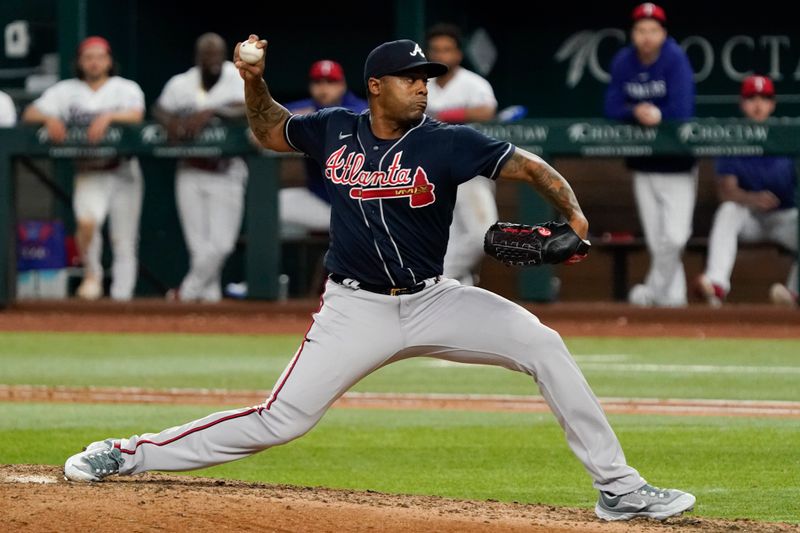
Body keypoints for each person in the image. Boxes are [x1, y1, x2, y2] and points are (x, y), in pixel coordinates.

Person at [63, 35, 696, 522]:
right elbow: (267, 129)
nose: (423, 87)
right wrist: (252, 79)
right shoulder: (333, 128)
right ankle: (128, 452)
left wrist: (576, 216)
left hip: (433, 298)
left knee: (543, 345)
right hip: (353, 309)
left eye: (428, 78)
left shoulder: (447, 142)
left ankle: (618, 490)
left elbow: (528, 166)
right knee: (281, 419)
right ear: (376, 85)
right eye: (412, 78)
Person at [22, 36, 145, 301]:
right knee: (87, 223)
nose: (94, 62)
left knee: (124, 239)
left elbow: (137, 115)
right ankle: (92, 278)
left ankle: (123, 297)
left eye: (99, 57)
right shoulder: (66, 91)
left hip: (123, 170)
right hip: (89, 170)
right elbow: (30, 113)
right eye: (88, 57)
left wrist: (110, 116)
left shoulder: (125, 88)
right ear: (79, 62)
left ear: (109, 61)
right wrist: (49, 117)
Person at [604, 3, 697, 307]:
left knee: (676, 238)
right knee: (659, 243)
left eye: (653, 30)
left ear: (663, 33)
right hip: (643, 164)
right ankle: (673, 302)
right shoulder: (623, 61)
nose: (646, 37)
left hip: (678, 164)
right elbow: (611, 106)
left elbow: (682, 110)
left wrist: (657, 113)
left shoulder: (675, 58)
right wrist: (635, 111)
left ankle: (649, 293)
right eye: (641, 30)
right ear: (633, 33)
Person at [153, 33, 248, 303]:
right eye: (206, 55)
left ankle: (185, 293)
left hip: (226, 170)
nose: (212, 60)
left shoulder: (236, 77)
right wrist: (169, 120)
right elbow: (159, 108)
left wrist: (211, 111)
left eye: (216, 54)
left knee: (221, 245)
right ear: (197, 58)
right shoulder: (182, 83)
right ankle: (209, 304)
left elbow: (252, 106)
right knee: (198, 247)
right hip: (190, 169)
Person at [695, 75, 798, 307]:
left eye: (764, 98)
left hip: (784, 216)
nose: (758, 104)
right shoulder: (734, 137)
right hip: (749, 217)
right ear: (743, 103)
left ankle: (793, 294)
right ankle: (716, 285)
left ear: (773, 104)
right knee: (728, 210)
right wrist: (752, 198)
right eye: (752, 98)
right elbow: (726, 190)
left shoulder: (788, 134)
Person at [425, 23, 498, 285]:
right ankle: (454, 283)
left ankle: (435, 279)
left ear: (458, 54)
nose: (442, 55)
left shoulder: (472, 83)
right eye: (436, 50)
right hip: (432, 172)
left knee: (483, 232)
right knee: (446, 237)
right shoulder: (422, 84)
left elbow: (486, 111)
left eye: (448, 50)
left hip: (469, 169)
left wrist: (446, 116)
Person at [281, 59, 367, 235]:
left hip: (359, 207)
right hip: (320, 199)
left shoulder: (361, 108)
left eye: (330, 82)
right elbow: (273, 119)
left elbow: (354, 117)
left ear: (342, 84)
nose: (323, 88)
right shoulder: (309, 107)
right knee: (271, 205)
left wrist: (306, 121)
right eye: (318, 82)